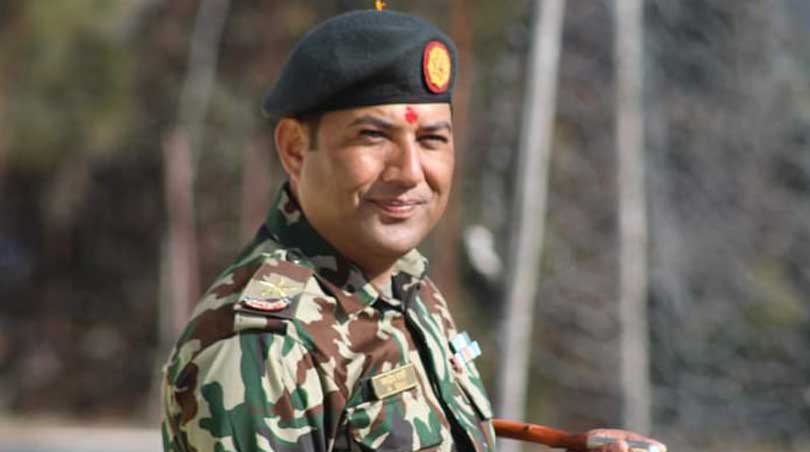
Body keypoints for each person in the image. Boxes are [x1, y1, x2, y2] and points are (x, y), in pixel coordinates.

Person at [161, 7, 665, 452]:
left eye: (431, 139)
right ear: (295, 149)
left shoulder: (404, 285)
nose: (408, 171)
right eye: (372, 135)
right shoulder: (266, 346)